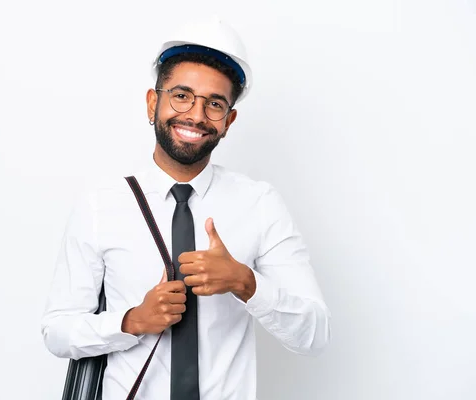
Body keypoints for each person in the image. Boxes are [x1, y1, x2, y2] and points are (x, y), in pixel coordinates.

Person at [41, 15, 331, 400]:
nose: (196, 115)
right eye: (181, 96)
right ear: (152, 103)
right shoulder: (100, 206)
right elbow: (57, 331)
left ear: (229, 121)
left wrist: (246, 283)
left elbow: (314, 335)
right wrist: (130, 321)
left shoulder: (259, 204)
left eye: (214, 104)